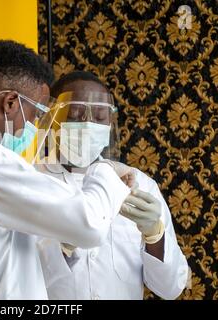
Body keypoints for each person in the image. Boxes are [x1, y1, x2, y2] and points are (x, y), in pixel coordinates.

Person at [0, 41, 132, 299]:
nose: (36, 125)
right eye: (37, 114)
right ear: (11, 103)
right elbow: (92, 224)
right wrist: (105, 170)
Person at [36, 71, 189, 300]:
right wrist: (62, 245)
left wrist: (154, 235)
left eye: (99, 117)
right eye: (76, 115)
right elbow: (18, 278)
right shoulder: (30, 183)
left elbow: (170, 288)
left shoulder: (139, 184)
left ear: (110, 122)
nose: (88, 126)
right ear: (52, 119)